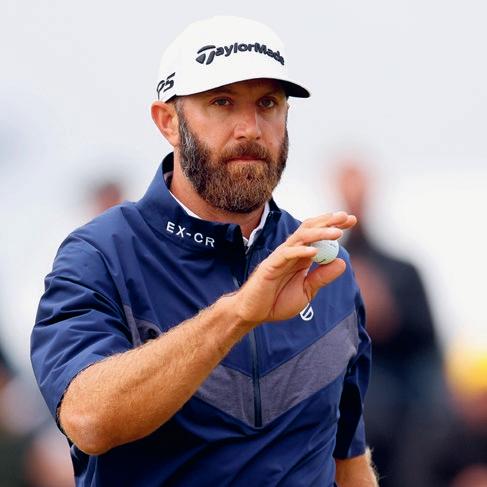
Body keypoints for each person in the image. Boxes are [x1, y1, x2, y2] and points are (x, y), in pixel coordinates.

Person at [31, 16, 376, 487]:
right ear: (168, 122)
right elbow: (88, 420)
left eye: (268, 103)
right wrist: (238, 313)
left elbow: (348, 461)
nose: (250, 128)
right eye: (222, 102)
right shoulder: (101, 255)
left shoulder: (325, 266)